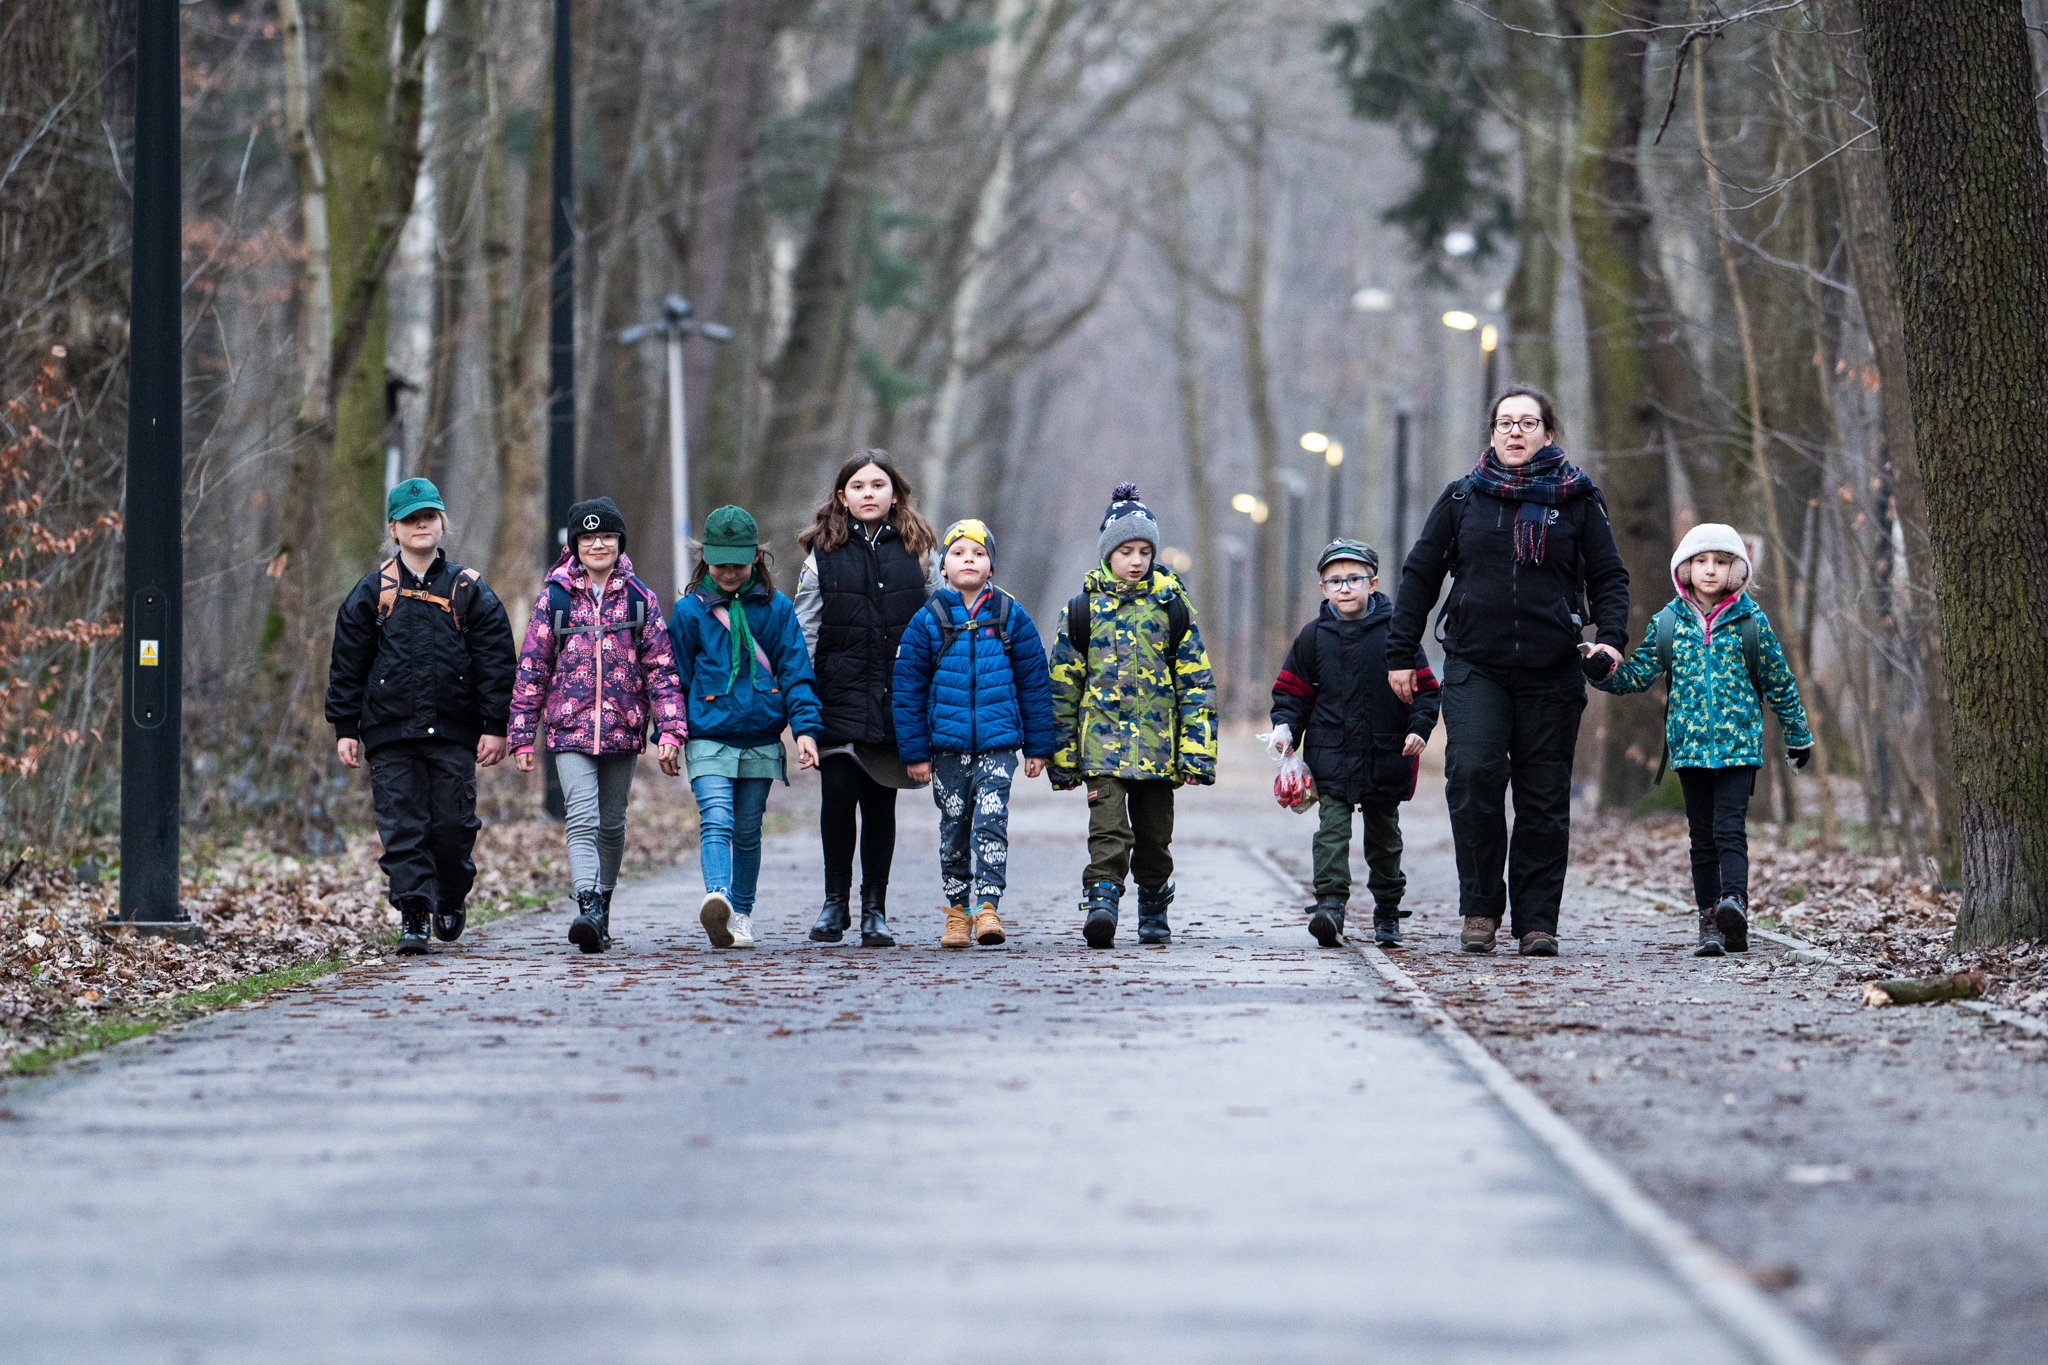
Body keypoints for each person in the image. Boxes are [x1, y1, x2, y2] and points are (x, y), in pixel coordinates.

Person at [1386, 385, 1629, 957]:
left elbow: (1609, 578)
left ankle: (1538, 921)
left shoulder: (1579, 500)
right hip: (1476, 667)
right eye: (1505, 423)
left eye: (1528, 422)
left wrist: (1611, 640)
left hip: (1553, 670)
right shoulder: (1462, 499)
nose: (1515, 432)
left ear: (1549, 433)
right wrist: (1401, 650)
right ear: (1491, 434)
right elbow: (1420, 575)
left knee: (1544, 797)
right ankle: (1479, 908)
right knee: (1472, 777)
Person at [1588, 523, 1812, 956]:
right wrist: (1603, 672)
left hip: (1738, 747)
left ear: (1736, 571)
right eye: (1701, 561)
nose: (1710, 570)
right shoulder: (1667, 623)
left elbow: (1780, 682)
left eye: (1722, 562)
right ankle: (1710, 919)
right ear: (1684, 569)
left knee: (1730, 831)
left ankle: (1735, 906)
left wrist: (1798, 736)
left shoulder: (1752, 623)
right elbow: (1637, 676)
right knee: (1702, 838)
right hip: (1688, 749)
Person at [326, 477, 516, 955]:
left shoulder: (469, 590)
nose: (420, 526)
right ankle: (413, 911)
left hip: (454, 730)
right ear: (394, 529)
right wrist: (345, 727)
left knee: (453, 826)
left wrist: (496, 726)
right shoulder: (371, 593)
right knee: (401, 826)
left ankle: (450, 893)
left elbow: (497, 662)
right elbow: (348, 664)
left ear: (442, 524)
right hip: (389, 732)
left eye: (428, 517)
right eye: (411, 520)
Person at [509, 497, 687, 954]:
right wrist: (522, 734)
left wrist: (669, 730)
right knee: (582, 816)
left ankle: (601, 909)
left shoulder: (639, 598)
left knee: (612, 823)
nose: (598, 544)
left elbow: (662, 669)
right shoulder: (555, 598)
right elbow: (532, 667)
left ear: (619, 542)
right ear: (574, 544)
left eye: (607, 536)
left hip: (622, 729)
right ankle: (586, 904)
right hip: (568, 729)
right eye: (588, 537)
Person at [1048, 483, 1217, 948]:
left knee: (1154, 834)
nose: (1137, 560)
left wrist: (1197, 753)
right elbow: (1063, 688)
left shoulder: (1172, 608)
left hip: (1158, 749)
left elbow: (1196, 684)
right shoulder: (1082, 611)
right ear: (1108, 553)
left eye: (1145, 550)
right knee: (1107, 829)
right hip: (1101, 748)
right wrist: (1060, 755)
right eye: (1126, 550)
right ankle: (1101, 901)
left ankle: (1153, 905)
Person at [793, 450, 940, 945]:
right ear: (842, 497)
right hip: (837, 697)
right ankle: (835, 904)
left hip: (897, 701)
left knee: (881, 805)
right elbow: (804, 634)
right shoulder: (821, 555)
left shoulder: (920, 551)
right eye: (858, 486)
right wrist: (802, 711)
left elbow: (942, 626)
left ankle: (875, 908)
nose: (869, 494)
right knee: (837, 799)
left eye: (878, 485)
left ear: (894, 492)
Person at [1269, 539, 1442, 949]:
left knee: (1384, 837)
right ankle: (1329, 906)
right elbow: (1292, 693)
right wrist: (1285, 727)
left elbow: (1427, 689)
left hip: (1388, 752)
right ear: (1323, 588)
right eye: (1335, 581)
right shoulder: (1312, 638)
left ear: (1373, 582)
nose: (1345, 588)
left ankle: (1387, 912)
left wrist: (1420, 726)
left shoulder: (1397, 633)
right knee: (1330, 832)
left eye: (1354, 579)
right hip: (1330, 754)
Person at [893, 519, 1057, 948]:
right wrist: (915, 752)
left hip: (998, 745)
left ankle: (988, 907)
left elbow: (1034, 682)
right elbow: (908, 688)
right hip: (945, 749)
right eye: (959, 553)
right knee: (954, 828)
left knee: (990, 820)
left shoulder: (1009, 616)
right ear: (942, 567)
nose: (969, 559)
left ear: (991, 566)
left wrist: (1038, 746)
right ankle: (957, 911)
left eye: (979, 553)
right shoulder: (927, 621)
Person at [667, 505, 823, 950]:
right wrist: (671, 734)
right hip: (709, 735)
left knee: (749, 830)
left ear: (757, 557)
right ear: (705, 559)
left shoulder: (777, 611)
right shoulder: (688, 613)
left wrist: (806, 730)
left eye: (739, 562)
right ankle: (718, 895)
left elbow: (796, 674)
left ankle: (743, 915)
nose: (730, 572)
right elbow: (673, 678)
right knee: (716, 819)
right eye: (721, 563)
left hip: (760, 738)